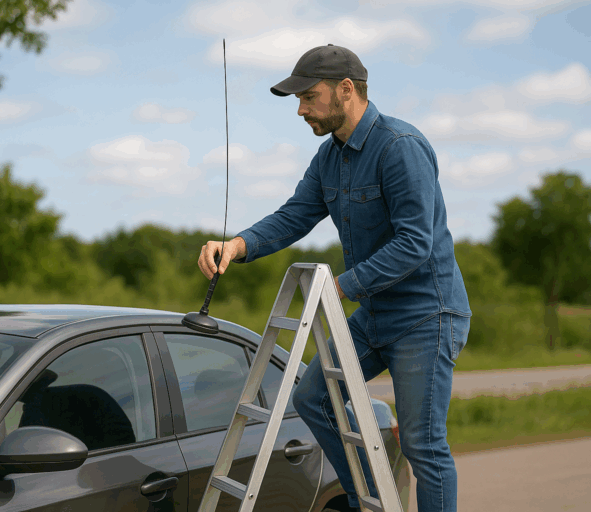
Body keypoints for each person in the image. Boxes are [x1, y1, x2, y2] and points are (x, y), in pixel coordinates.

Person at [197, 44, 471, 512]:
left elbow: (414, 244)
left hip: (427, 315)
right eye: (298, 100)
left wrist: (338, 289)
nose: (301, 109)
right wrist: (237, 246)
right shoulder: (329, 158)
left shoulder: (400, 147)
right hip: (376, 313)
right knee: (312, 398)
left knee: (425, 446)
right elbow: (293, 216)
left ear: (346, 90)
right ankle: (373, 500)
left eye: (308, 96)